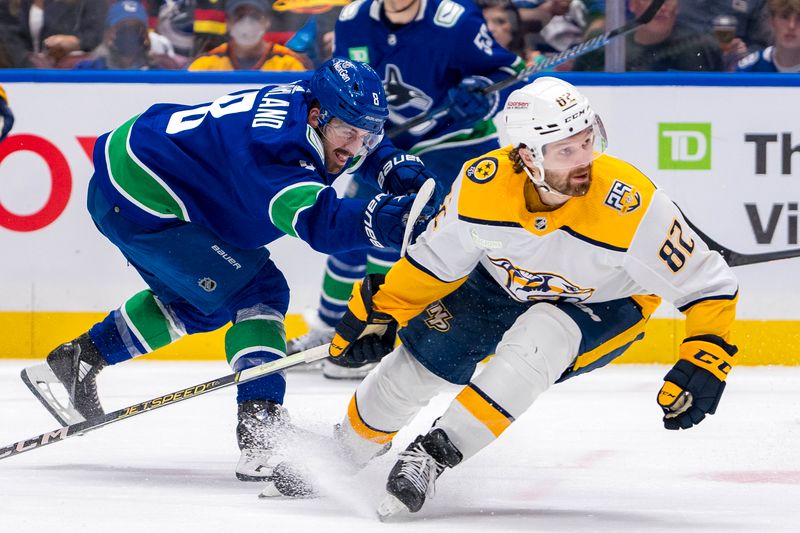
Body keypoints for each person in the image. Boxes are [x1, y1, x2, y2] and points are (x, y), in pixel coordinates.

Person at [325, 77, 740, 517]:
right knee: (415, 367)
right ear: (527, 156)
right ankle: (344, 451)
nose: (586, 161)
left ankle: (431, 456)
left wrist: (705, 355)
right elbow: (435, 263)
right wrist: (385, 310)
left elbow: (709, 283)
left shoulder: (632, 206)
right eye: (567, 150)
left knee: (539, 339)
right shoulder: (481, 187)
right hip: (500, 284)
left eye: (588, 140)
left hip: (603, 304)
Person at [20, 58, 433, 488]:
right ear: (317, 117)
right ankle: (261, 429)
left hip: (134, 182)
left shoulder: (311, 105)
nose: (356, 146)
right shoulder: (273, 154)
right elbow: (320, 223)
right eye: (350, 133)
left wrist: (389, 163)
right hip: (145, 203)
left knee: (202, 304)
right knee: (259, 291)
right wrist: (385, 219)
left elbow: (351, 141)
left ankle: (78, 359)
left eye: (369, 136)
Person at [286, 0, 526, 380]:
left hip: (452, 142)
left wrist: (481, 93)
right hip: (381, 144)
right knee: (351, 230)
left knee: (403, 232)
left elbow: (510, 71)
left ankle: (378, 332)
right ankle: (329, 331)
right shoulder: (353, 20)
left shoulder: (455, 21)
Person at [572, 0, 724, 71]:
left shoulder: (702, 47)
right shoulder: (603, 45)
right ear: (632, 5)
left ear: (678, 7)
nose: (661, 6)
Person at [187, 0, 307, 71]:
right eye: (240, 15)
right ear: (228, 22)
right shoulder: (206, 65)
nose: (247, 22)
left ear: (267, 21)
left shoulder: (289, 64)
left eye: (255, 15)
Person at [74, 0, 180, 70]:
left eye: (136, 29)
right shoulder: (88, 69)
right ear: (107, 34)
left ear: (147, 35)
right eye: (123, 28)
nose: (130, 35)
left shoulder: (160, 70)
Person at [17, 0, 107, 68]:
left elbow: (94, 34)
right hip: (23, 71)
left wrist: (76, 42)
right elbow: (9, 32)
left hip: (71, 73)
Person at [738, 0, 800, 72]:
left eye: (799, 19)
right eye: (784, 17)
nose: (791, 26)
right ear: (771, 21)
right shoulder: (750, 69)